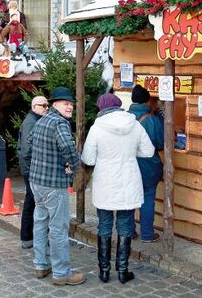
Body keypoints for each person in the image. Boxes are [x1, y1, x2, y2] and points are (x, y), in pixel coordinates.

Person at [81, 93, 155, 284]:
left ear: (101, 108)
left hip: (105, 181)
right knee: (125, 225)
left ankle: (104, 271)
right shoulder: (135, 124)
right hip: (128, 179)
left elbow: (88, 159)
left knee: (104, 225)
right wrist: (130, 154)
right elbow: (148, 151)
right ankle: (123, 271)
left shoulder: (97, 128)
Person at [24, 87, 86, 286]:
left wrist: (57, 160)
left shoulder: (42, 120)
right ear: (54, 105)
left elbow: (30, 143)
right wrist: (75, 167)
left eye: (71, 103)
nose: (70, 106)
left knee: (40, 223)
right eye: (65, 103)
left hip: (36, 182)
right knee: (58, 229)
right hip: (53, 185)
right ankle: (61, 274)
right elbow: (68, 147)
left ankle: (41, 265)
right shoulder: (59, 123)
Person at [128, 84, 165, 243]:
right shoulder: (152, 119)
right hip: (149, 167)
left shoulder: (123, 117)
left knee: (129, 199)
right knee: (147, 199)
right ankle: (147, 234)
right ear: (147, 101)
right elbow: (160, 143)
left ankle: (128, 231)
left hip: (128, 166)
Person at [17, 95, 48, 249]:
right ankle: (28, 236)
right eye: (43, 105)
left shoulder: (36, 120)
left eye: (47, 105)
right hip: (31, 170)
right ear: (34, 106)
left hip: (32, 169)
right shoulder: (31, 122)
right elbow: (26, 151)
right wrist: (31, 172)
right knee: (32, 202)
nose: (46, 108)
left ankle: (28, 236)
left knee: (32, 201)